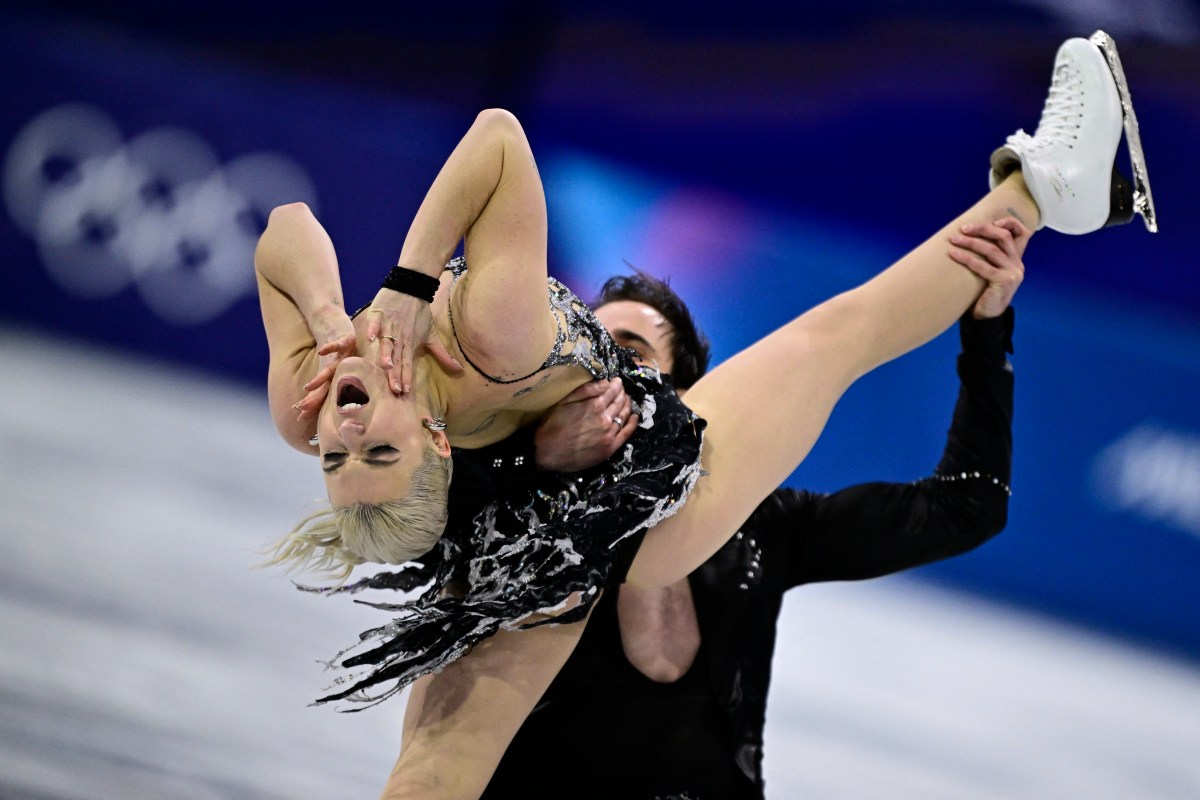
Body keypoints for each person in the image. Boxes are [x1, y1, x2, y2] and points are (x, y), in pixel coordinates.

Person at [250, 32, 1154, 799]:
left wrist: (335, 324)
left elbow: (285, 227)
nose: (348, 429)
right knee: (840, 334)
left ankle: (1048, 193)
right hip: (614, 523)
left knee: (438, 764)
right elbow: (498, 138)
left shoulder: (314, 402)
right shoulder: (496, 338)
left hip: (524, 534)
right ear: (433, 446)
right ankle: (1046, 191)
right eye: (378, 453)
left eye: (340, 457)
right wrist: (410, 282)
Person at [478, 264, 1019, 799]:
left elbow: (968, 506)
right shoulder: (515, 506)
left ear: (681, 396)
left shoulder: (761, 525)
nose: (597, 365)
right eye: (583, 344)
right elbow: (443, 487)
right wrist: (531, 458)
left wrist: (987, 336)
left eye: (630, 350)